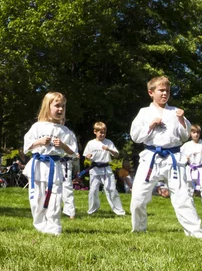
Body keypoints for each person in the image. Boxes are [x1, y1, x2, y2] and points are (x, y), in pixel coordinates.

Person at [129, 76, 202, 238]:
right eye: (161, 90)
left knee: (182, 196)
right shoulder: (144, 113)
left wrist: (182, 120)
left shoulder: (175, 112)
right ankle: (139, 230)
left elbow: (185, 136)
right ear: (151, 92)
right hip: (150, 157)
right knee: (138, 197)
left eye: (167, 91)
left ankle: (195, 232)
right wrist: (151, 125)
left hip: (173, 157)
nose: (165, 94)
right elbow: (135, 136)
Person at [22, 92, 78, 235]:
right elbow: (26, 146)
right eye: (57, 106)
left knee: (55, 198)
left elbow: (74, 152)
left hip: (55, 167)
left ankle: (54, 227)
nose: (60, 109)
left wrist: (63, 146)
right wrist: (39, 142)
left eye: (63, 107)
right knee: (37, 198)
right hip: (38, 166)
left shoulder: (65, 131)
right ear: (48, 107)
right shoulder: (37, 127)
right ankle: (40, 224)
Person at [82, 121, 125, 216]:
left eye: (104, 132)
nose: (102, 134)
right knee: (93, 190)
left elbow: (117, 155)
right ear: (95, 132)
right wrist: (88, 156)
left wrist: (109, 149)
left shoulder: (108, 142)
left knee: (111, 189)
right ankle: (92, 210)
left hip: (106, 168)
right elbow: (86, 155)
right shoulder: (91, 143)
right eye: (100, 132)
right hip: (95, 168)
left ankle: (119, 211)